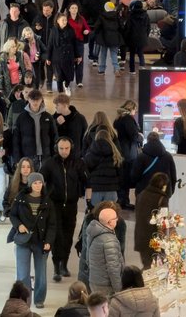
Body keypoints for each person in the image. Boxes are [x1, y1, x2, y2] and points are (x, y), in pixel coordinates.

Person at [40, 137, 87, 281]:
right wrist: (43, 200)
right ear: (57, 148)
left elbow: (86, 181)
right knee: (57, 236)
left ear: (71, 148)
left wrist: (87, 199)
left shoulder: (78, 163)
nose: (64, 151)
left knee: (68, 236)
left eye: (67, 148)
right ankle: (56, 266)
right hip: (55, 205)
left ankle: (64, 264)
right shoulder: (50, 163)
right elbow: (40, 181)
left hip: (71, 205)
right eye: (61, 148)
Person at [10, 171, 57, 309]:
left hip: (41, 242)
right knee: (22, 273)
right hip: (23, 240)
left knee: (41, 274)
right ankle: (24, 299)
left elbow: (52, 224)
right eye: (35, 183)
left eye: (40, 183)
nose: (38, 185)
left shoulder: (48, 201)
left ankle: (39, 299)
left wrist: (49, 241)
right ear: (30, 184)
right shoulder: (21, 198)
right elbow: (13, 215)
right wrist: (19, 225)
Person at [12, 88, 58, 171]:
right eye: (33, 100)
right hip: (28, 156)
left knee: (45, 181)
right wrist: (17, 159)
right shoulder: (21, 118)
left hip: (46, 156)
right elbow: (16, 139)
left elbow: (54, 137)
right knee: (30, 181)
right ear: (29, 100)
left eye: (37, 100)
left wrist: (55, 156)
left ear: (41, 100)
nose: (35, 102)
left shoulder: (48, 117)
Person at [134, 173, 171, 269]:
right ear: (163, 185)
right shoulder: (162, 198)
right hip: (155, 237)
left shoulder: (141, 195)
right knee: (157, 266)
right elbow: (163, 219)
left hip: (140, 236)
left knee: (147, 264)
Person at [88, 207, 125, 296]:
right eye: (115, 219)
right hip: (106, 286)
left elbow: (87, 258)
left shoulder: (94, 232)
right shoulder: (110, 241)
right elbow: (113, 267)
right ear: (109, 222)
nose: (117, 220)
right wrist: (118, 289)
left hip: (95, 280)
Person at [85, 128, 124, 206]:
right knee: (109, 214)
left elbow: (86, 170)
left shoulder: (92, 151)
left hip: (95, 188)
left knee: (94, 214)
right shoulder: (115, 153)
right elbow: (120, 173)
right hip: (111, 189)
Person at [114, 100, 143, 207]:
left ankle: (122, 200)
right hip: (128, 152)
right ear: (132, 108)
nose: (135, 112)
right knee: (126, 177)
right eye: (135, 109)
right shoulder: (128, 119)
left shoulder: (118, 119)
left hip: (121, 151)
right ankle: (123, 201)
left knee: (122, 176)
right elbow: (134, 136)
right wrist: (141, 137)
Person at [47, 13, 83, 95]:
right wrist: (48, 58)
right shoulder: (53, 31)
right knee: (59, 76)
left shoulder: (71, 30)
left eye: (65, 20)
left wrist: (78, 56)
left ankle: (66, 85)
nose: (64, 22)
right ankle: (60, 93)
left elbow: (75, 43)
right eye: (62, 20)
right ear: (58, 21)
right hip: (57, 57)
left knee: (69, 75)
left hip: (69, 56)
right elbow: (50, 45)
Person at [94, 1, 124, 76]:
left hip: (104, 37)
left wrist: (97, 33)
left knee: (103, 54)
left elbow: (97, 27)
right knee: (114, 54)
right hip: (115, 37)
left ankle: (101, 70)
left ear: (105, 8)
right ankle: (116, 69)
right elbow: (121, 26)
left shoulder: (102, 16)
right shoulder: (117, 16)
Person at [65, 3, 90, 86]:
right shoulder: (66, 19)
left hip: (79, 42)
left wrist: (86, 31)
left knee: (80, 61)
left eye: (76, 8)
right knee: (69, 61)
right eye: (72, 8)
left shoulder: (81, 19)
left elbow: (87, 28)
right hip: (69, 42)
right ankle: (68, 79)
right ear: (69, 9)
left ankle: (79, 81)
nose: (74, 9)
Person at [124, 0, 151, 74]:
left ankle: (132, 70)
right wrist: (146, 35)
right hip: (142, 37)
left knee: (132, 54)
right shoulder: (146, 15)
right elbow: (148, 27)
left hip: (132, 37)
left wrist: (126, 37)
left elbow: (128, 27)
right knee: (140, 53)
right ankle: (142, 68)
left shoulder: (131, 15)